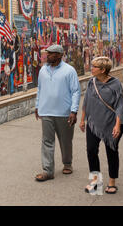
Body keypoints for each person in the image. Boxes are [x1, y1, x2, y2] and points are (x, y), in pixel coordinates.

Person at [79, 56, 123, 194]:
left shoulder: (116, 84)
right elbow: (86, 102)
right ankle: (95, 181)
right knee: (91, 150)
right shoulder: (91, 82)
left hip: (111, 123)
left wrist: (117, 125)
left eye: (94, 67)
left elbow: (120, 105)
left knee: (111, 151)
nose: (91, 69)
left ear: (102, 70)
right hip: (94, 123)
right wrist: (82, 120)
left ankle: (112, 181)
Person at [35, 44, 81, 182]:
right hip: (46, 112)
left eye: (51, 53)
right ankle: (48, 170)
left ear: (59, 55)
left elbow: (76, 91)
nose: (47, 55)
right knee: (47, 141)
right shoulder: (43, 70)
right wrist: (37, 106)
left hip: (64, 113)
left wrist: (74, 110)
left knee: (65, 141)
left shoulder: (69, 71)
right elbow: (40, 89)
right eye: (47, 53)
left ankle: (67, 163)